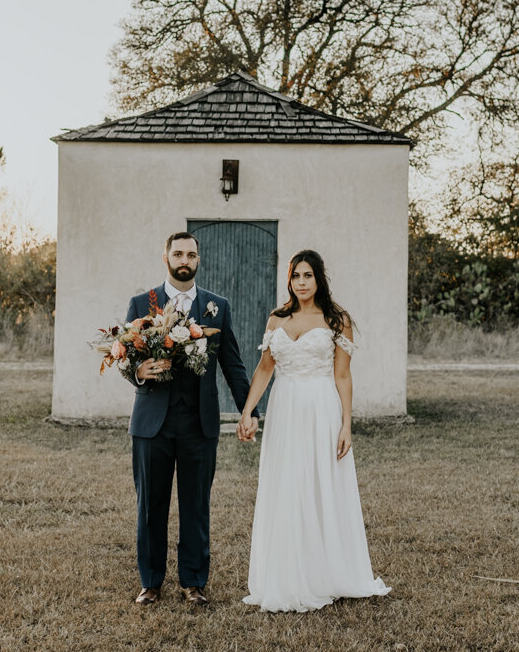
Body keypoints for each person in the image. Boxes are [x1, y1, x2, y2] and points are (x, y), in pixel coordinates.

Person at [237, 249, 390, 612]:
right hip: (285, 407)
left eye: (307, 275)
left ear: (318, 278)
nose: (301, 283)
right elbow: (263, 370)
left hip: (322, 407)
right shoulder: (277, 318)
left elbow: (342, 374)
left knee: (321, 484)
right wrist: (247, 411)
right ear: (289, 280)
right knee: (287, 484)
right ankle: (288, 574)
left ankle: (326, 571)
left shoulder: (337, 319)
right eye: (295, 276)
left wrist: (346, 425)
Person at [125, 231, 258, 606]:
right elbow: (127, 359)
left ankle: (193, 583)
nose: (185, 260)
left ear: (198, 260)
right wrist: (140, 371)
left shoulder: (217, 306)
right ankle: (150, 583)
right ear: (165, 257)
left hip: (201, 423)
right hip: (152, 423)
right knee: (150, 506)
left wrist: (248, 410)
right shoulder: (142, 303)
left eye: (191, 254)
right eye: (178, 253)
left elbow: (232, 364)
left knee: (196, 506)